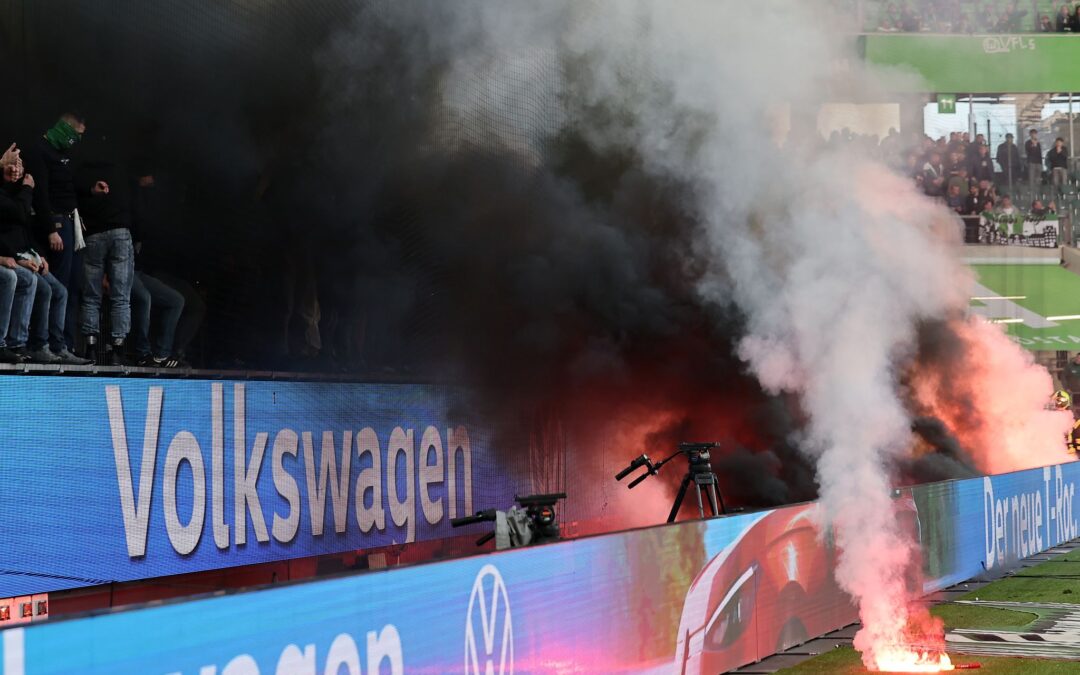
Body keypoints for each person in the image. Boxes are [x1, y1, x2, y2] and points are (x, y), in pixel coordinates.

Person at [0, 149, 88, 364]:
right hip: (9, 257)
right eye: (13, 164)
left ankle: (54, 346)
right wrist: (12, 257)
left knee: (59, 291)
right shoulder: (12, 194)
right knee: (21, 279)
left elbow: (25, 228)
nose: (17, 168)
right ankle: (15, 343)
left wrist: (38, 254)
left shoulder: (18, 192)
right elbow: (17, 215)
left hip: (23, 254)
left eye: (20, 164)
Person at [22, 113, 86, 350]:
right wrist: (51, 229)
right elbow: (41, 194)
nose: (77, 141)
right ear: (65, 129)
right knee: (56, 286)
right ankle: (46, 343)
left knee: (71, 286)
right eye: (76, 135)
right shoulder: (40, 150)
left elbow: (68, 186)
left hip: (72, 223)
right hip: (56, 224)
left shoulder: (63, 156)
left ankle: (65, 345)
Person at [75, 155, 134, 364]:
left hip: (93, 235)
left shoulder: (82, 172)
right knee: (121, 295)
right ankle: (117, 350)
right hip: (120, 232)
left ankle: (90, 347)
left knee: (91, 295)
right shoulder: (121, 171)